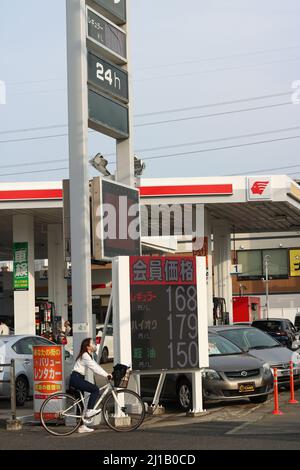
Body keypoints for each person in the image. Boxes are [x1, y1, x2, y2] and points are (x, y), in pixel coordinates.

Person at [69, 337, 112, 434]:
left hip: (77, 378)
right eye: (92, 343)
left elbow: (95, 365)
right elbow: (94, 367)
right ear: (87, 346)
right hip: (76, 379)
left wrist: (105, 374)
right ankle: (90, 411)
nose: (94, 345)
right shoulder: (85, 355)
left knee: (80, 405)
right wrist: (106, 375)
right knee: (95, 390)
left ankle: (82, 427)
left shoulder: (88, 355)